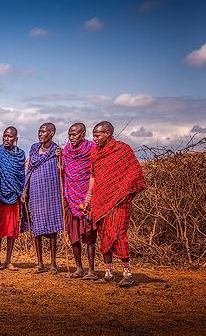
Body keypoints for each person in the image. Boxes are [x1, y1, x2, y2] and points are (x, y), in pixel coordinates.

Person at [88, 121, 146, 287]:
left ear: (108, 133)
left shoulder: (123, 150)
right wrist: (89, 197)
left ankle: (127, 273)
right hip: (100, 201)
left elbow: (134, 172)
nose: (94, 139)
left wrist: (124, 191)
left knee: (119, 234)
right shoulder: (95, 152)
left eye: (97, 135)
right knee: (104, 234)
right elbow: (93, 175)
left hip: (120, 201)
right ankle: (108, 273)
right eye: (93, 136)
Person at [23, 123, 63, 274]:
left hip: (51, 193)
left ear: (51, 133)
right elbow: (30, 170)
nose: (40, 134)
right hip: (35, 192)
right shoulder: (34, 148)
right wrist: (25, 191)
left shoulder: (56, 150)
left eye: (43, 132)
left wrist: (61, 159)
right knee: (36, 228)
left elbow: (62, 170)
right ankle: (39, 263)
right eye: (39, 131)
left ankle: (53, 264)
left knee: (52, 229)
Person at [60, 122, 98, 279]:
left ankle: (91, 270)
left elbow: (94, 172)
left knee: (89, 234)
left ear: (82, 134)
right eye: (69, 134)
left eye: (74, 134)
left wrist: (89, 195)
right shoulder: (66, 151)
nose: (71, 137)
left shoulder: (91, 149)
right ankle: (78, 268)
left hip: (86, 197)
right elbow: (64, 171)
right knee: (73, 234)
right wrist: (60, 164)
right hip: (70, 195)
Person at [0, 126, 25, 271]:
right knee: (0, 229)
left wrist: (22, 192)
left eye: (10, 136)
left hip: (15, 195)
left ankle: (8, 260)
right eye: (5, 136)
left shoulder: (20, 155)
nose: (7, 138)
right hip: (0, 195)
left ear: (16, 139)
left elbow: (21, 176)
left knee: (12, 229)